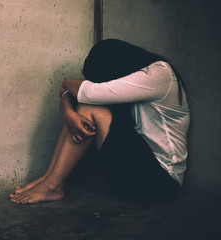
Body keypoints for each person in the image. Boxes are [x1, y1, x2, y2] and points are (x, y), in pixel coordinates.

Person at [10, 39, 190, 204]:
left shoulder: (161, 73)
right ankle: (48, 178)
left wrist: (66, 83)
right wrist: (67, 113)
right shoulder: (135, 77)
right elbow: (77, 94)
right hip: (139, 170)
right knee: (85, 105)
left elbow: (88, 93)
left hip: (161, 182)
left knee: (91, 106)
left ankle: (53, 186)